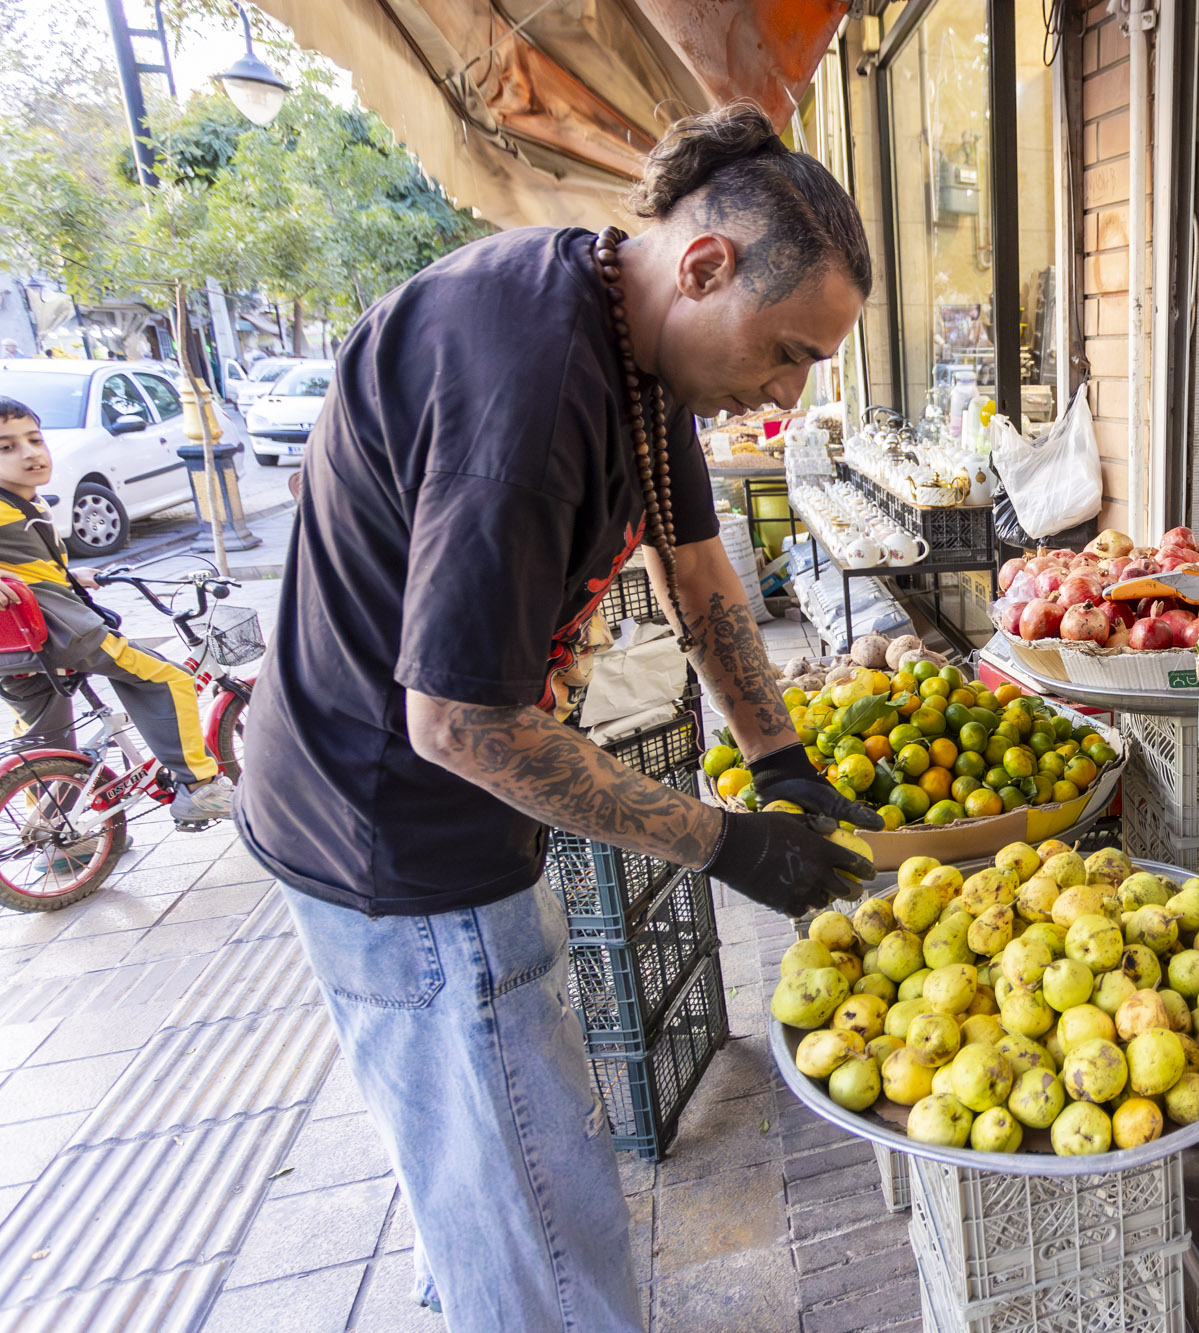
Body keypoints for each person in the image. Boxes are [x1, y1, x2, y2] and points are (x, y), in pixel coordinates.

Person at [236, 102, 879, 1332]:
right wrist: (727, 842)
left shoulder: (642, 353)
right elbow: (460, 727)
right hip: (393, 836)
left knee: (480, 1163)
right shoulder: (525, 396)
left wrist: (781, 759)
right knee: (535, 1188)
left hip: (429, 810)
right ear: (705, 265)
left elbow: (701, 578)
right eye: (788, 350)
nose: (788, 393)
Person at [0, 398, 236, 839]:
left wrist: (72, 575)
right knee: (169, 678)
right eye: (6, 447)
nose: (30, 453)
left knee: (46, 746)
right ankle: (200, 786)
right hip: (63, 634)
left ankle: (59, 839)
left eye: (34, 439)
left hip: (21, 650)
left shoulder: (26, 502)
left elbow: (27, 563)